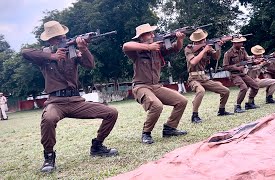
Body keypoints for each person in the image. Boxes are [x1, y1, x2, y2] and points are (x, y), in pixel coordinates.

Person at [22, 21, 119, 173]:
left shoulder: (73, 52)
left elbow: (90, 65)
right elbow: (25, 52)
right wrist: (52, 56)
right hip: (56, 102)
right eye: (59, 37)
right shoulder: (44, 55)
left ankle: (97, 146)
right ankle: (49, 156)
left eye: (64, 35)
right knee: (48, 119)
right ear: (50, 40)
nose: (64, 38)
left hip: (76, 101)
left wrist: (84, 48)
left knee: (111, 112)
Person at [122, 23, 188, 144]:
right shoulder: (136, 51)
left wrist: (179, 39)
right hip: (141, 86)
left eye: (153, 33)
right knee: (156, 106)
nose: (153, 35)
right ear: (141, 37)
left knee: (182, 101)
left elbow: (176, 48)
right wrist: (148, 47)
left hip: (156, 86)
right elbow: (126, 46)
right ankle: (146, 133)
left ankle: (170, 128)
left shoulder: (158, 49)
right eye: (149, 33)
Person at [184, 29, 233, 123]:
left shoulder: (207, 47)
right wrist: (204, 50)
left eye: (204, 39)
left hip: (204, 78)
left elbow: (216, 57)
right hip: (193, 78)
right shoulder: (189, 48)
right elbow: (193, 62)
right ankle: (194, 116)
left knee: (225, 91)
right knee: (201, 91)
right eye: (201, 40)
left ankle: (221, 110)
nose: (204, 41)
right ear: (195, 41)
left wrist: (218, 47)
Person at [223, 36, 260, 113]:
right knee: (244, 88)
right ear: (234, 43)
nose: (242, 44)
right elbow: (225, 67)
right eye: (240, 42)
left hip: (243, 73)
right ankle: (237, 106)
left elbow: (247, 59)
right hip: (234, 75)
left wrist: (254, 61)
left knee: (255, 86)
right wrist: (237, 68)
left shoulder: (242, 50)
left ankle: (249, 103)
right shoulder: (228, 53)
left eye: (242, 42)